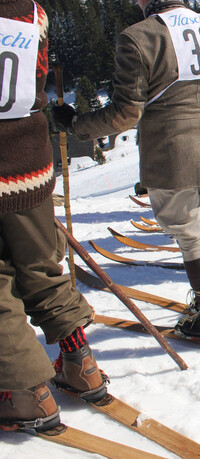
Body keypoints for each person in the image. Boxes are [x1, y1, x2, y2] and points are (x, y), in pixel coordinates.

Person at [52, 0, 200, 343]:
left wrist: (77, 124)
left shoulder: (139, 36)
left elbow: (126, 113)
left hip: (172, 154)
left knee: (190, 236)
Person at [1, 0, 108, 433]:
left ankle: (24, 393)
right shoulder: (33, 12)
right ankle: (81, 365)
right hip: (28, 161)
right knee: (42, 267)